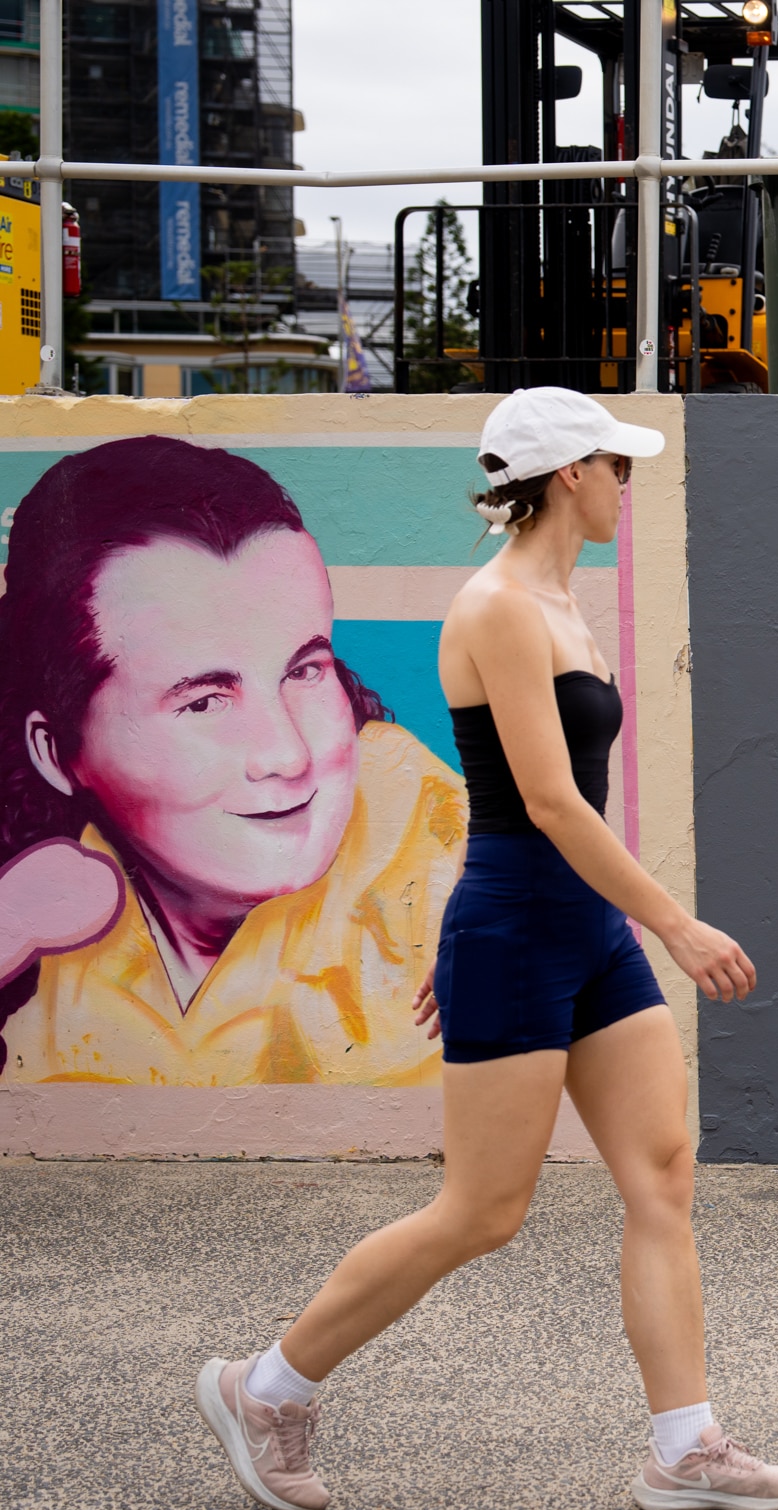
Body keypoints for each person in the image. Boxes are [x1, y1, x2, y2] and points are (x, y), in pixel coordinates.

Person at [194, 388, 778, 1510]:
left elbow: (544, 802)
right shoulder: (496, 610)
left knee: (662, 1172)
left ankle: (685, 1445)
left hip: (577, 930)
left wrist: (602, 924)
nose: (627, 482)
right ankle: (267, 1384)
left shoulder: (565, 604)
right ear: (568, 473)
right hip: (528, 923)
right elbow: (545, 802)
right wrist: (673, 921)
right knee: (482, 1209)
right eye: (614, 466)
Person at [0, 436, 463, 1086]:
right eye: (204, 702)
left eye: (305, 670)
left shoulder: (432, 840)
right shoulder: (51, 907)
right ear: (58, 752)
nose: (287, 754)